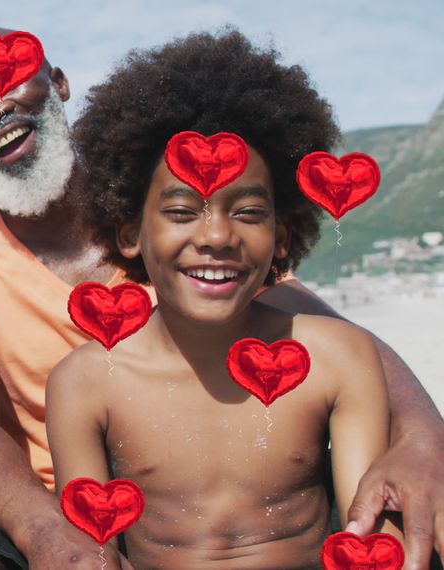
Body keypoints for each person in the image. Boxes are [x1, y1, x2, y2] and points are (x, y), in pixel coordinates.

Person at [0, 26, 444, 570]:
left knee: (412, 508)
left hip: (264, 499)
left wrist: (422, 441)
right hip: (55, 512)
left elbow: (339, 346)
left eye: (9, 79)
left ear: (60, 83)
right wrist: (51, 532)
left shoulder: (193, 208)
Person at [48, 30, 400, 569]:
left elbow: (367, 530)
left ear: (281, 238)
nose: (216, 236)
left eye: (249, 213)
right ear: (129, 234)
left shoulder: (338, 359)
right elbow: (92, 553)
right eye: (183, 211)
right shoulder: (85, 383)